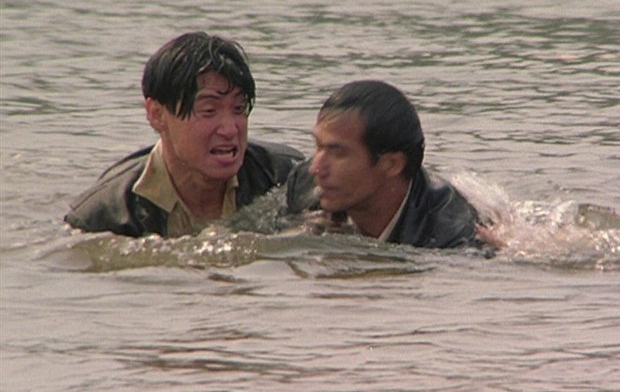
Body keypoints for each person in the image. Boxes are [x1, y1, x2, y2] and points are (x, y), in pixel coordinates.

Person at [65, 32, 304, 237]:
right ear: (157, 114)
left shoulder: (285, 177)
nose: (230, 129)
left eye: (239, 108)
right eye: (209, 110)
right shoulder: (105, 215)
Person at [285, 80, 482, 249]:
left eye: (338, 153)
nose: (316, 169)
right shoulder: (303, 185)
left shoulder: (450, 236)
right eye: (318, 146)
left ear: (391, 164)